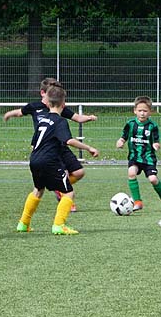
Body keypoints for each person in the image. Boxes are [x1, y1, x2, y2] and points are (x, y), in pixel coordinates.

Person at [3, 77, 97, 211]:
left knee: (79, 172)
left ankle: (58, 188)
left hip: (61, 145)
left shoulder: (59, 108)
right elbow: (19, 112)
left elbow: (77, 118)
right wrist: (9, 114)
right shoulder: (35, 107)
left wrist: (89, 118)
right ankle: (64, 194)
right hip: (47, 148)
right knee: (59, 175)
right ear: (43, 93)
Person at [16, 84, 99, 235]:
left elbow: (34, 143)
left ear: (48, 103)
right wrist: (89, 148)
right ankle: (59, 225)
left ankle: (23, 223)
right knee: (68, 193)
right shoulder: (60, 121)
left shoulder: (42, 120)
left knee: (38, 190)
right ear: (63, 103)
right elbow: (69, 141)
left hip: (34, 159)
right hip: (49, 161)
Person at [116, 96, 161, 212]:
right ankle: (138, 202)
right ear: (135, 111)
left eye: (145, 111)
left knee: (153, 179)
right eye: (140, 110)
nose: (142, 113)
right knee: (131, 173)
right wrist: (120, 142)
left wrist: (156, 145)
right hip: (134, 157)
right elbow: (123, 137)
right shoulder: (130, 124)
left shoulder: (153, 126)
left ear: (150, 112)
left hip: (148, 158)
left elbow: (156, 141)